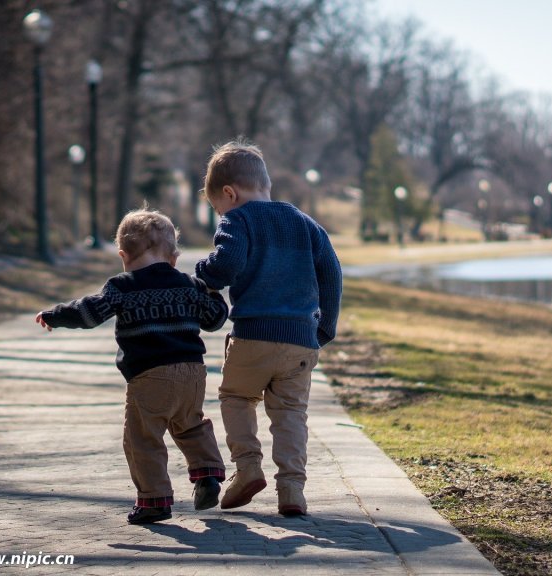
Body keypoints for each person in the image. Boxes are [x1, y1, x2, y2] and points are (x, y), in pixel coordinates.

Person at [35, 208, 230, 525]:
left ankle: (154, 500)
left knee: (142, 438)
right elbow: (215, 319)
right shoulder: (188, 285)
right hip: (192, 373)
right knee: (191, 424)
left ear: (123, 255)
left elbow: (89, 313)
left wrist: (56, 315)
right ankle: (208, 474)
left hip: (149, 375)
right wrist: (214, 294)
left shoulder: (121, 287)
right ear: (173, 257)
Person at [196, 138, 342, 516]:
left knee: (236, 398)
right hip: (300, 340)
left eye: (217, 207)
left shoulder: (237, 219)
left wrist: (203, 272)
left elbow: (225, 266)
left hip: (253, 335)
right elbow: (332, 273)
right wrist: (325, 327)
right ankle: (292, 489)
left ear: (230, 193)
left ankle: (247, 468)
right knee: (291, 413)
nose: (219, 213)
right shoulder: (305, 223)